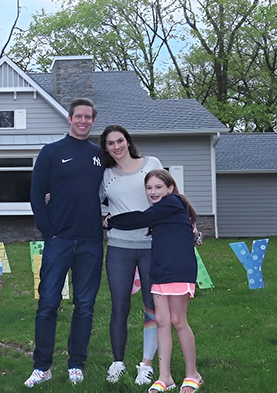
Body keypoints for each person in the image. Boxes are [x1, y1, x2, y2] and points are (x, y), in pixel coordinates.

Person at [25, 98, 105, 388]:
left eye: (88, 117)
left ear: (93, 121)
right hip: (59, 240)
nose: (83, 121)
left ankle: (76, 364)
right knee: (48, 303)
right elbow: (36, 194)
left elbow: (112, 190)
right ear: (69, 119)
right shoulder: (51, 152)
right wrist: (48, 230)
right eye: (78, 116)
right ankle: (42, 366)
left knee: (85, 305)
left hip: (91, 242)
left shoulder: (100, 154)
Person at [105, 169, 204, 393]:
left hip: (178, 271)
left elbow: (140, 218)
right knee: (161, 321)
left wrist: (111, 222)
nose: (153, 192)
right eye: (149, 188)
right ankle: (165, 377)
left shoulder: (173, 203)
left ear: (170, 188)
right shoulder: (161, 210)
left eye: (158, 187)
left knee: (178, 320)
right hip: (159, 271)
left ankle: (193, 374)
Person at [99, 125, 162, 385]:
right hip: (119, 247)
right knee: (119, 306)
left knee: (152, 306)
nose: (116, 146)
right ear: (106, 148)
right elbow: (94, 203)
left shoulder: (152, 164)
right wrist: (103, 217)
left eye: (120, 140)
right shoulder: (105, 175)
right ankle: (118, 363)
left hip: (151, 247)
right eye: (110, 143)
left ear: (128, 141)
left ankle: (146, 365)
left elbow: (168, 196)